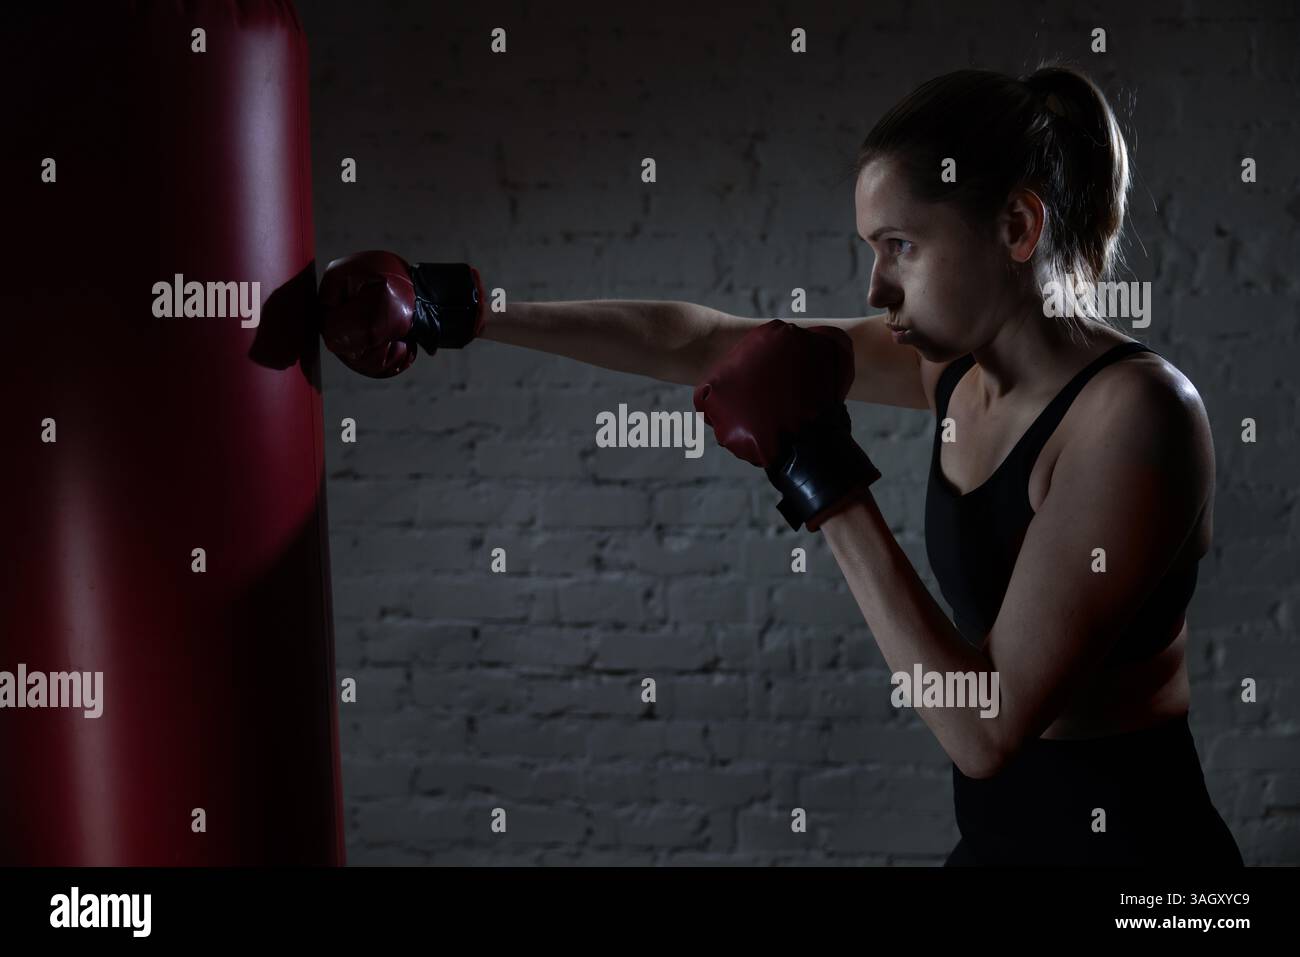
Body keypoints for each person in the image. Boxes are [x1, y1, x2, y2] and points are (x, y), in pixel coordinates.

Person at [317, 63, 1243, 867]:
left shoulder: (1137, 415)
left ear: (1015, 225)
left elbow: (986, 725)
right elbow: (710, 343)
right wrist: (470, 312)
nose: (875, 288)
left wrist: (819, 476)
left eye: (901, 248)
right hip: (1000, 844)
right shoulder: (953, 369)